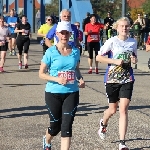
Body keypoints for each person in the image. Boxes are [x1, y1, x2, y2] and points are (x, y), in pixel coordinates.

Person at [39, 21, 85, 150]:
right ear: (57, 34)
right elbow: (41, 74)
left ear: (70, 34)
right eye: (62, 33)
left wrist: (80, 79)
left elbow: (76, 69)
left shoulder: (75, 51)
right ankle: (47, 139)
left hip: (71, 92)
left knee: (67, 126)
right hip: (53, 92)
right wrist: (56, 79)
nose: (64, 35)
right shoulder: (50, 52)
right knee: (55, 126)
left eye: (67, 33)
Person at [96, 17, 138, 150]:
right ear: (117, 28)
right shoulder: (112, 41)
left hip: (127, 78)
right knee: (113, 109)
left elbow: (135, 59)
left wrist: (134, 59)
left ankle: (122, 143)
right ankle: (103, 123)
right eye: (122, 26)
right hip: (112, 79)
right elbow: (98, 57)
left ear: (129, 27)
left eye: (126, 26)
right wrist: (115, 61)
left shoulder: (133, 42)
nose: (124, 28)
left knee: (123, 110)